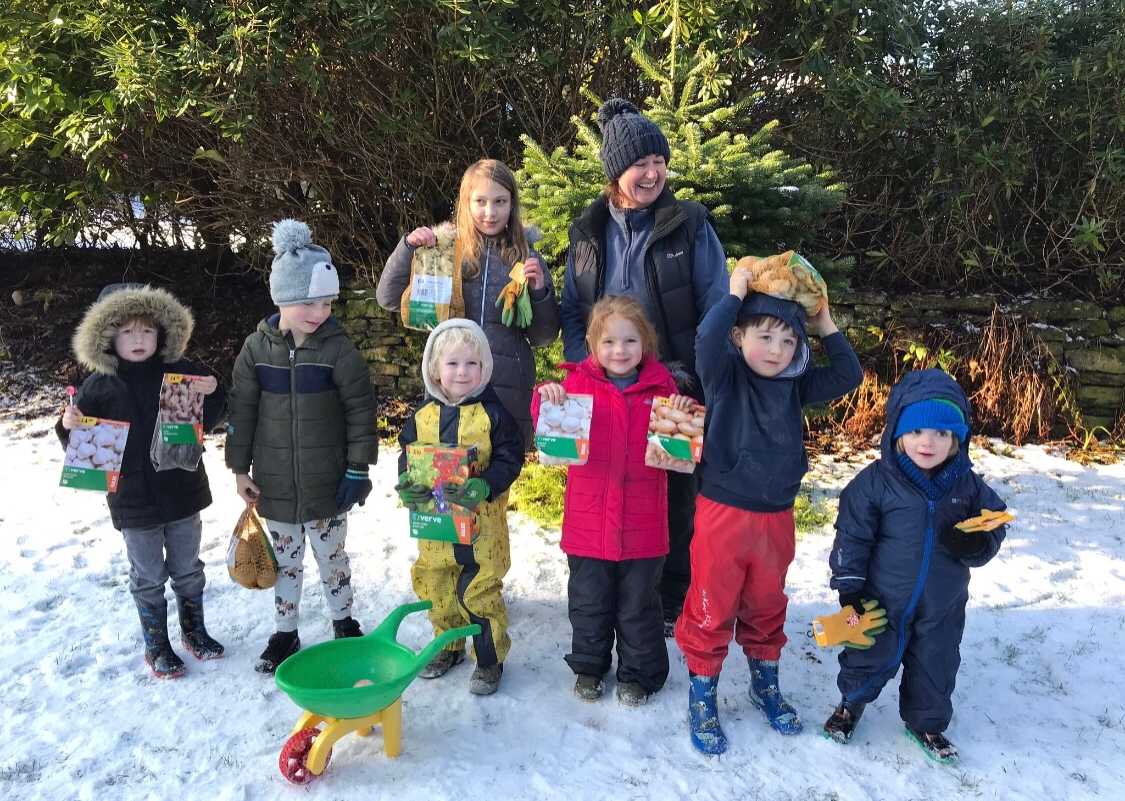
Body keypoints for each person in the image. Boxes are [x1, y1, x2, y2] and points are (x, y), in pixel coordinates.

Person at [675, 265, 863, 754]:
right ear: (739, 337)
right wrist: (735, 293)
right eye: (765, 337)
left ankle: (765, 685)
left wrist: (824, 321)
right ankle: (702, 696)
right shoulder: (724, 374)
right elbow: (706, 340)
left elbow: (849, 375)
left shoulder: (796, 383)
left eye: (788, 341)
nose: (777, 350)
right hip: (723, 512)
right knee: (712, 602)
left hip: (776, 516)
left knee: (766, 601)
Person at [561, 98, 729, 636]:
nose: (653, 173)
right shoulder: (587, 232)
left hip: (673, 385)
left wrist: (695, 376)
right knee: (609, 484)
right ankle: (606, 590)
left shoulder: (689, 224)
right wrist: (582, 373)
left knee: (674, 493)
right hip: (606, 388)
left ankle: (670, 595)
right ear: (616, 173)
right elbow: (573, 310)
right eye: (640, 163)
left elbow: (717, 305)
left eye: (660, 161)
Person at [823, 368, 1008, 764]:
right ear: (898, 433)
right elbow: (852, 535)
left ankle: (927, 722)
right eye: (917, 430)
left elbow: (994, 522)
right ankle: (850, 703)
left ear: (957, 439)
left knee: (936, 661)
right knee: (868, 652)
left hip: (942, 602)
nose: (928, 442)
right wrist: (849, 589)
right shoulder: (875, 483)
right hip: (881, 598)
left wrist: (975, 542)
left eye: (942, 433)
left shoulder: (967, 485)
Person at [226, 219, 378, 675]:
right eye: (309, 302)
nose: (319, 312)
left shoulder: (339, 351)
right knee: (285, 562)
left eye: (327, 302)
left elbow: (361, 412)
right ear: (282, 297)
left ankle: (344, 622)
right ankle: (285, 632)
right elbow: (241, 412)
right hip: (273, 485)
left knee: (332, 557)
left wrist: (358, 469)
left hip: (327, 483)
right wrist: (239, 468)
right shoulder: (256, 350)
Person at [57, 283, 226, 679]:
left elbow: (209, 420)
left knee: (188, 568)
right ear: (107, 337)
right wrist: (68, 425)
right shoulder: (98, 386)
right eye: (127, 331)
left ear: (162, 333)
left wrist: (214, 392)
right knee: (148, 576)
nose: (138, 339)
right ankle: (156, 645)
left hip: (183, 494)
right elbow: (82, 444)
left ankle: (194, 631)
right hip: (133, 503)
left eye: (147, 330)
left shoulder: (182, 373)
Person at [532, 295, 692, 706]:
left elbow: (679, 447)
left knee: (640, 605)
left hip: (643, 525)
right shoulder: (576, 385)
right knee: (590, 602)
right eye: (609, 342)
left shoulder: (662, 388)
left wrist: (683, 410)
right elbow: (545, 423)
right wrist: (546, 396)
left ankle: (638, 674)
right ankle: (589, 667)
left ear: (646, 343)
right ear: (592, 344)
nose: (619, 350)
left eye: (630, 341)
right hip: (589, 524)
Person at [376, 158, 560, 449]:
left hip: (507, 393)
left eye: (500, 201)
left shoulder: (528, 258)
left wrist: (539, 292)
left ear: (512, 204)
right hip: (451, 389)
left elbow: (544, 336)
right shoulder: (443, 252)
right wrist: (408, 248)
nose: (490, 212)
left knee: (499, 474)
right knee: (448, 472)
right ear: (466, 203)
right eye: (480, 201)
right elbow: (388, 299)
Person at [396, 318, 524, 695]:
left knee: (480, 589)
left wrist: (487, 483)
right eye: (452, 363)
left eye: (471, 363)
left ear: (484, 367)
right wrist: (407, 484)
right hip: (436, 527)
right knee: (437, 584)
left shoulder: (493, 415)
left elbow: (510, 456)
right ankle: (447, 645)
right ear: (435, 368)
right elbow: (407, 454)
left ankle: (488, 658)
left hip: (482, 527)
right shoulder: (422, 416)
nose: (462, 372)